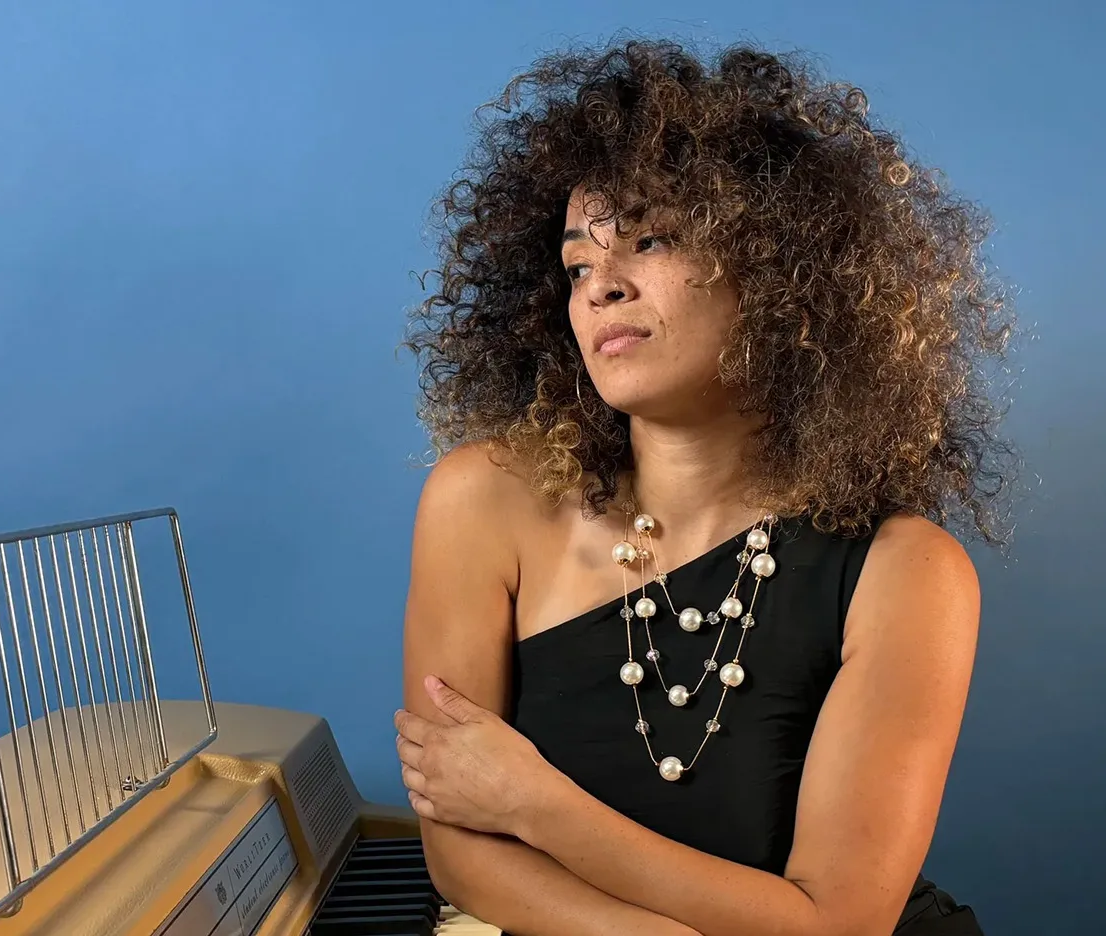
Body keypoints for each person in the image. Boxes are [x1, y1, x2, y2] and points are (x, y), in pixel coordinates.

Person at [392, 37, 1013, 936]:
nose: (601, 288)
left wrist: (534, 802)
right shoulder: (482, 502)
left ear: (778, 272)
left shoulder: (908, 571)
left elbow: (836, 926)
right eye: (577, 265)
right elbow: (460, 852)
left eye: (648, 240)